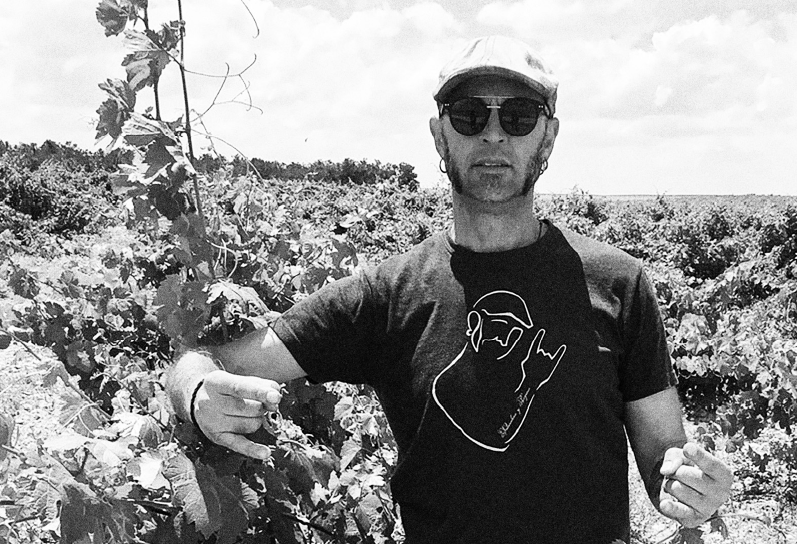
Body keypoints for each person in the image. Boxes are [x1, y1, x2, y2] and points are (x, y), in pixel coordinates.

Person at [166, 35, 733, 543]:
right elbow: (205, 361)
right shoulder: (387, 296)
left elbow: (662, 456)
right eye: (468, 115)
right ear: (440, 136)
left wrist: (688, 488)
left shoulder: (619, 284)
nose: (493, 133)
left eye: (519, 115)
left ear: (548, 138)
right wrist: (196, 394)